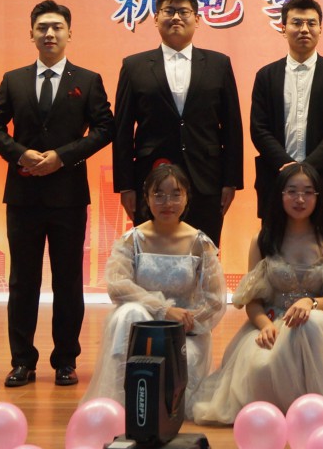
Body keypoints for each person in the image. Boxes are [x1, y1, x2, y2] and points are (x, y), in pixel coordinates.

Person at [0, 0, 114, 388]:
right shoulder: (14, 80)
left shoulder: (87, 80)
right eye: (42, 28)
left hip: (68, 197)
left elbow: (105, 128)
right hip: (23, 196)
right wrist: (19, 153)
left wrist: (63, 156)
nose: (50, 34)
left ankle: (66, 361)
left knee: (68, 281)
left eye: (57, 27)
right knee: (22, 281)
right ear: (31, 34)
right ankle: (22, 361)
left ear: (70, 34)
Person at [190, 163, 323, 424]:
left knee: (311, 325)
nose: (300, 199)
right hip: (273, 322)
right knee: (262, 366)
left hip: (318, 326)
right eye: (292, 191)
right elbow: (253, 302)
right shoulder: (263, 240)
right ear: (280, 195)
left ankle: (314, 413)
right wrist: (264, 326)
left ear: (318, 197)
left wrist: (310, 303)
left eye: (308, 192)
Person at [85, 164, 226, 406]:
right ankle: (123, 401)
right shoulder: (132, 240)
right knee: (129, 312)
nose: (167, 203)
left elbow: (214, 301)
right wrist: (163, 310)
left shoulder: (200, 243)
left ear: (187, 197)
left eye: (175, 195)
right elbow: (117, 286)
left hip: (183, 332)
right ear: (147, 198)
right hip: (139, 327)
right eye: (158, 195)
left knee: (176, 365)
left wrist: (185, 321)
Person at [113, 0, 243, 245]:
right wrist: (125, 185)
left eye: (183, 12)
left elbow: (232, 126)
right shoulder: (134, 66)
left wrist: (231, 181)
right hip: (151, 181)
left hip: (206, 179)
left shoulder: (219, 64)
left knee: (203, 253)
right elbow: (122, 130)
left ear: (197, 19)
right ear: (156, 18)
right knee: (152, 255)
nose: (176, 17)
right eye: (168, 11)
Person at [250, 0, 323, 228]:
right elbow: (259, 129)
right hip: (276, 180)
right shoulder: (266, 76)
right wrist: (287, 167)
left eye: (311, 23)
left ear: (320, 29)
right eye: (296, 23)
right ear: (283, 28)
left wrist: (307, 168)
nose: (304, 29)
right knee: (275, 247)